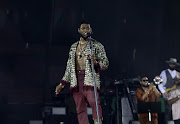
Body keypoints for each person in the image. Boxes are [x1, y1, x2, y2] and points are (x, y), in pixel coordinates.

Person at [55, 21, 109, 124]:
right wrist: (62, 84)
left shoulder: (96, 45)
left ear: (91, 30)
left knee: (94, 102)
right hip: (76, 80)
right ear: (79, 30)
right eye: (83, 28)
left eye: (87, 28)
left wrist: (95, 62)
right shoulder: (73, 47)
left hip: (90, 78)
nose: (85, 30)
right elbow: (69, 67)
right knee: (80, 107)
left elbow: (106, 62)